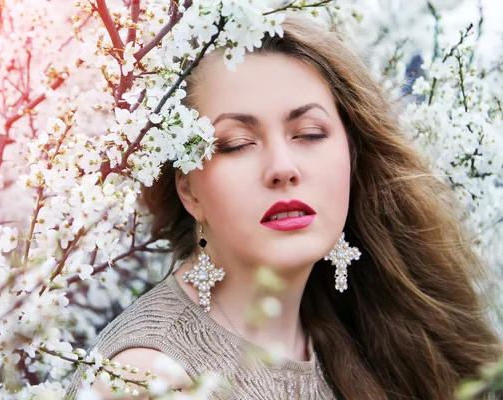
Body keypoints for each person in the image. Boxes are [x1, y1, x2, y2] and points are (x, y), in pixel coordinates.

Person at [65, 14, 501, 400]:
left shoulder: (353, 326)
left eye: (310, 133)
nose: (282, 168)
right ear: (188, 190)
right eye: (236, 144)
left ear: (352, 154)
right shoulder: (150, 378)